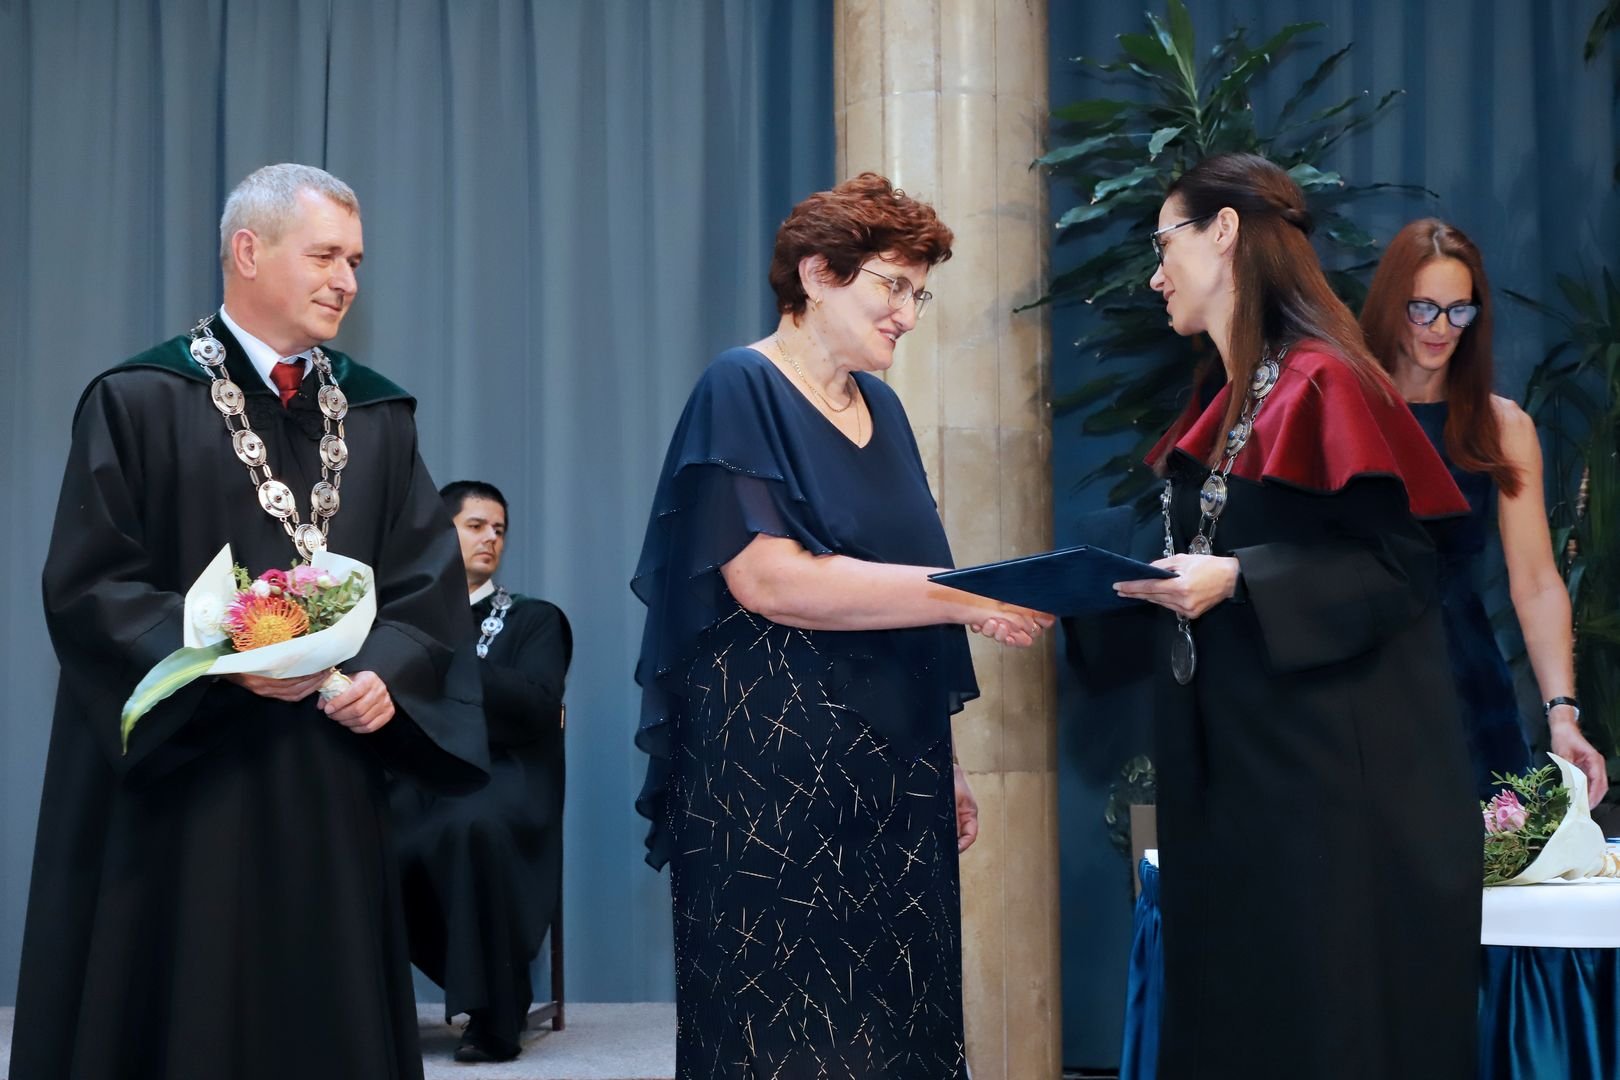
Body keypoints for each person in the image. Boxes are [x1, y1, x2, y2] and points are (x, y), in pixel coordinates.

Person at [13, 163, 488, 1080]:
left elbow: (425, 583)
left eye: (355, 261)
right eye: (325, 256)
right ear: (247, 251)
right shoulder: (138, 400)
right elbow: (91, 583)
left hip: (327, 774)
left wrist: (387, 673)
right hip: (187, 782)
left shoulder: (378, 414)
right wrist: (226, 657)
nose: (346, 281)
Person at [631, 172, 1050, 1079]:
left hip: (894, 770)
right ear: (818, 275)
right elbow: (770, 581)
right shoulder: (740, 384)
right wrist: (969, 595)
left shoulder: (885, 411)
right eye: (892, 287)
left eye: (919, 293)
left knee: (902, 1026)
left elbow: (900, 590)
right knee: (781, 1036)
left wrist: (945, 759)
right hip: (770, 780)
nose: (908, 314)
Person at [1112, 153, 1480, 1079]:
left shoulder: (1323, 379)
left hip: (1325, 801)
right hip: (1240, 783)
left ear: (1223, 232)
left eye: (1163, 243)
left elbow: (1401, 566)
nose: (1156, 276)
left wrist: (1240, 578)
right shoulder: (1238, 390)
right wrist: (1072, 601)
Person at [1360, 219, 1608, 804]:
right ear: (1391, 304)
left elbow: (1537, 581)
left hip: (1466, 682)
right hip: (1361, 673)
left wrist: (1562, 715)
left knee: (1485, 853)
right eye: (1423, 308)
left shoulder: (1503, 426)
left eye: (1459, 311)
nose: (1441, 328)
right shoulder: (1343, 411)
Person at [392, 480, 572, 1064]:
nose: (491, 537)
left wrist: (450, 655)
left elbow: (537, 705)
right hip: (416, 778)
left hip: (502, 776)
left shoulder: (534, 618)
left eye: (499, 529)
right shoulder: (398, 622)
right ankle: (365, 1010)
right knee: (352, 828)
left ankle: (497, 1009)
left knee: (470, 825)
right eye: (475, 526)